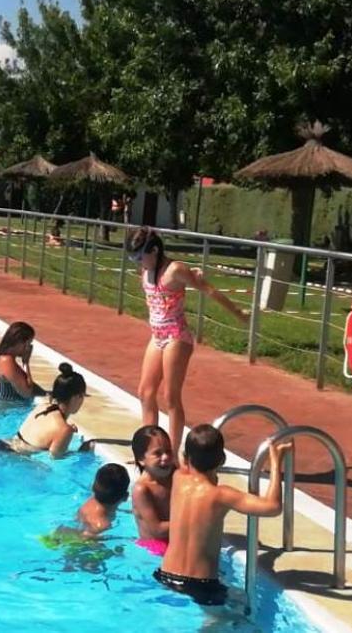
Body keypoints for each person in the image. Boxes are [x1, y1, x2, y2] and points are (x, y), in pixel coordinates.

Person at [125, 226, 248, 453]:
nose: (138, 263)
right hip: (157, 335)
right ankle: (150, 448)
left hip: (176, 336)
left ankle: (171, 452)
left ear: (154, 250)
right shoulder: (147, 269)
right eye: (133, 258)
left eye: (140, 257)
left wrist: (238, 313)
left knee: (170, 396)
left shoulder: (175, 270)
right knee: (145, 392)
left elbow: (209, 290)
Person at [156, 424, 292, 606]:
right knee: (239, 615)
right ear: (222, 460)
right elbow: (273, 507)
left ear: (187, 458)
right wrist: (275, 462)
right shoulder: (221, 495)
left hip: (165, 575)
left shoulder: (178, 478)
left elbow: (183, 457)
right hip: (202, 585)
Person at [0, 363, 86, 458]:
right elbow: (56, 458)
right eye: (82, 396)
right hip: (8, 456)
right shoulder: (64, 429)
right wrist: (82, 451)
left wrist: (67, 430)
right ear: (76, 397)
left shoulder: (43, 407)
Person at [131, 425, 174, 556]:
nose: (165, 457)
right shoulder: (142, 489)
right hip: (154, 549)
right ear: (141, 459)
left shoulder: (174, 476)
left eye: (168, 451)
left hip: (174, 542)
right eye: (158, 453)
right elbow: (157, 530)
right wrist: (192, 520)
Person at [0, 322, 46, 402]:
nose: (29, 348)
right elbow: (27, 393)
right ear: (20, 343)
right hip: (11, 409)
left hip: (10, 407)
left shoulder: (2, 357)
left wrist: (47, 393)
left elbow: (27, 384)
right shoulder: (6, 361)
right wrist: (26, 362)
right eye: (29, 343)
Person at [76, 463, 131, 537]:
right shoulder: (102, 525)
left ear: (93, 487)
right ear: (125, 497)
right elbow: (85, 538)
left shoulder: (91, 501)